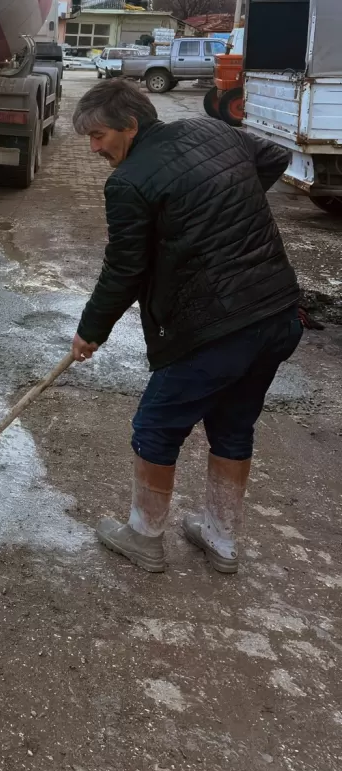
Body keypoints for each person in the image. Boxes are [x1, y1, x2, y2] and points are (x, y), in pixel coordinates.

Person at [70, 78, 301, 575]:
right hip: (278, 314)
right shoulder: (217, 132)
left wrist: (91, 330)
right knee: (234, 424)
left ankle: (145, 538)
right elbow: (274, 158)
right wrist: (221, 211)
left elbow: (125, 270)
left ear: (130, 126)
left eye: (98, 136)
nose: (93, 148)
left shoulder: (128, 183)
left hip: (217, 327)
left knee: (156, 426)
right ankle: (220, 539)